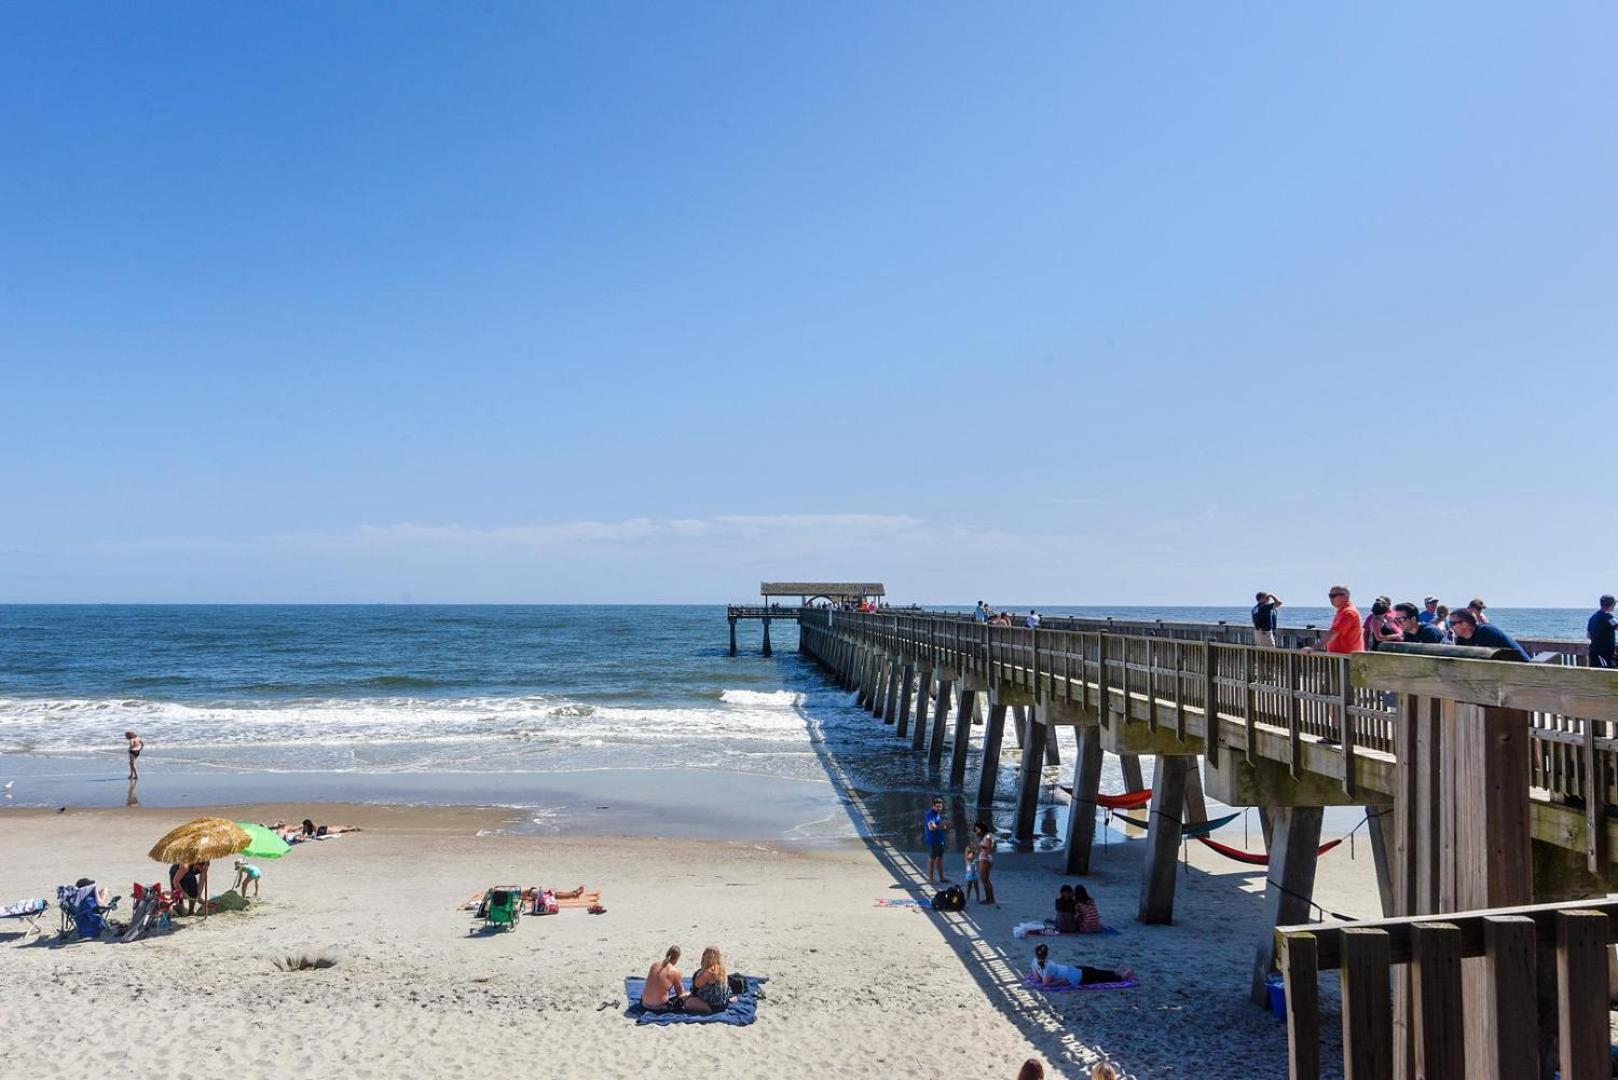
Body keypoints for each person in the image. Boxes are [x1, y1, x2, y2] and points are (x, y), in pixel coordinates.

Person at [1029, 943, 1133, 988]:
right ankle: (1121, 977)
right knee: (1098, 977)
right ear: (1047, 954)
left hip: (1071, 969)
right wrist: (1061, 981)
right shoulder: (1049, 966)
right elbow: (1045, 984)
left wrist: (1041, 973)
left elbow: (1037, 979)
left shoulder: (1034, 961)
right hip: (1073, 977)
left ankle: (1115, 971)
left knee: (1093, 970)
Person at [1448, 608, 1530, 661]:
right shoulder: (1462, 639)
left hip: (1523, 670)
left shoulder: (1485, 631)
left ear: (1464, 624)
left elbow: (1484, 661)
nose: (1450, 627)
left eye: (1452, 623)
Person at [1305, 586, 1363, 654]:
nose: (1331, 599)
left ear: (1345, 596)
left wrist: (1313, 648)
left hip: (1347, 658)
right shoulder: (1342, 611)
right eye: (1330, 596)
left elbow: (1333, 633)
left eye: (1333, 596)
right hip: (1342, 656)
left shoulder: (1348, 613)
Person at [684, 946, 733, 1014]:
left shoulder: (708, 972)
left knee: (688, 1003)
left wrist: (700, 972)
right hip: (724, 1002)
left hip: (714, 1005)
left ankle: (708, 1009)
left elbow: (696, 985)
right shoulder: (721, 968)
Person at [641, 946, 686, 1013]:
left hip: (645, 1004)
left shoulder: (654, 965)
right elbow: (680, 994)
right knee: (686, 996)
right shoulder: (675, 972)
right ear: (677, 959)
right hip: (660, 1007)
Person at [1587, 595, 1617, 668]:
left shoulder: (1593, 617)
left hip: (1594, 652)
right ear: (1611, 605)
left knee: (1595, 675)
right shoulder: (1608, 616)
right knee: (1606, 674)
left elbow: (1588, 635)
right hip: (1604, 654)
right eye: (1614, 604)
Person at [924, 798, 948, 883]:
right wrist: (940, 826)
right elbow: (931, 827)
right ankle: (931, 878)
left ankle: (941, 877)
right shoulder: (930, 814)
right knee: (932, 859)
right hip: (933, 841)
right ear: (933, 806)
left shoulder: (937, 814)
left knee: (940, 859)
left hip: (939, 841)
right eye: (937, 807)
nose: (939, 808)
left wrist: (942, 826)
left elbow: (937, 825)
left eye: (940, 807)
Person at [974, 822, 997, 905]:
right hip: (987, 858)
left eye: (977, 829)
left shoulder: (987, 836)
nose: (977, 831)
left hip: (985, 859)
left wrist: (978, 845)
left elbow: (988, 846)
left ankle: (989, 899)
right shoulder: (990, 835)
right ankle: (991, 898)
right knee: (986, 879)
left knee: (984, 880)